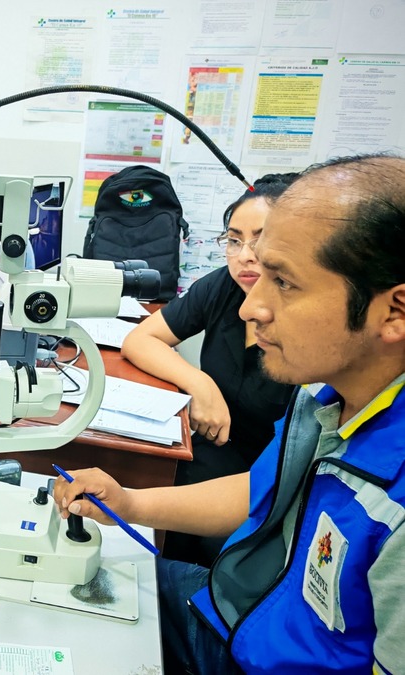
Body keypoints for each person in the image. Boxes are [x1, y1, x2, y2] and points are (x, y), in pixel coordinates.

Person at [55, 154, 405, 673]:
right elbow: (262, 489)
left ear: (394, 311)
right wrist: (128, 502)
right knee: (56, 580)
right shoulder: (326, 399)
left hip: (256, 655)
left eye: (283, 282)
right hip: (242, 610)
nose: (250, 307)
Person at [121, 174, 299, 566]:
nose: (245, 255)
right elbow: (140, 339)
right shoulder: (225, 286)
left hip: (268, 478)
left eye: (261, 239)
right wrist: (198, 382)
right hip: (211, 448)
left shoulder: (309, 323)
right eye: (234, 240)